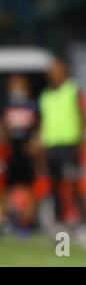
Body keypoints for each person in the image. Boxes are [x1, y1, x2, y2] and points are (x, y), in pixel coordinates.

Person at [39, 56, 86, 227]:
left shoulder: (72, 90)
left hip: (69, 145)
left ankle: (83, 222)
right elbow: (44, 121)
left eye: (56, 70)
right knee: (54, 186)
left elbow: (82, 115)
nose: (53, 74)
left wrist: (81, 141)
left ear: (64, 71)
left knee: (73, 184)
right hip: (50, 146)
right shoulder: (45, 95)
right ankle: (59, 221)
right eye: (51, 71)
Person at [1, 74, 38, 234]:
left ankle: (26, 223)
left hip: (26, 152)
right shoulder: (7, 105)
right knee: (7, 187)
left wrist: (35, 143)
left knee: (28, 188)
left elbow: (37, 126)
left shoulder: (31, 106)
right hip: (11, 152)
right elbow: (4, 126)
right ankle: (4, 220)